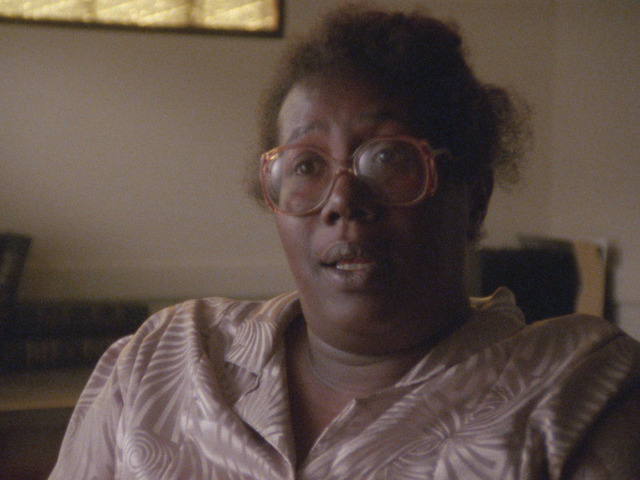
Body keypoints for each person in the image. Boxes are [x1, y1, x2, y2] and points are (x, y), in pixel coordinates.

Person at [49, 5, 640, 480]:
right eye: (306, 165)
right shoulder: (166, 357)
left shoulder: (575, 393)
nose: (343, 199)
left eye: (388, 158)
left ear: (475, 198)